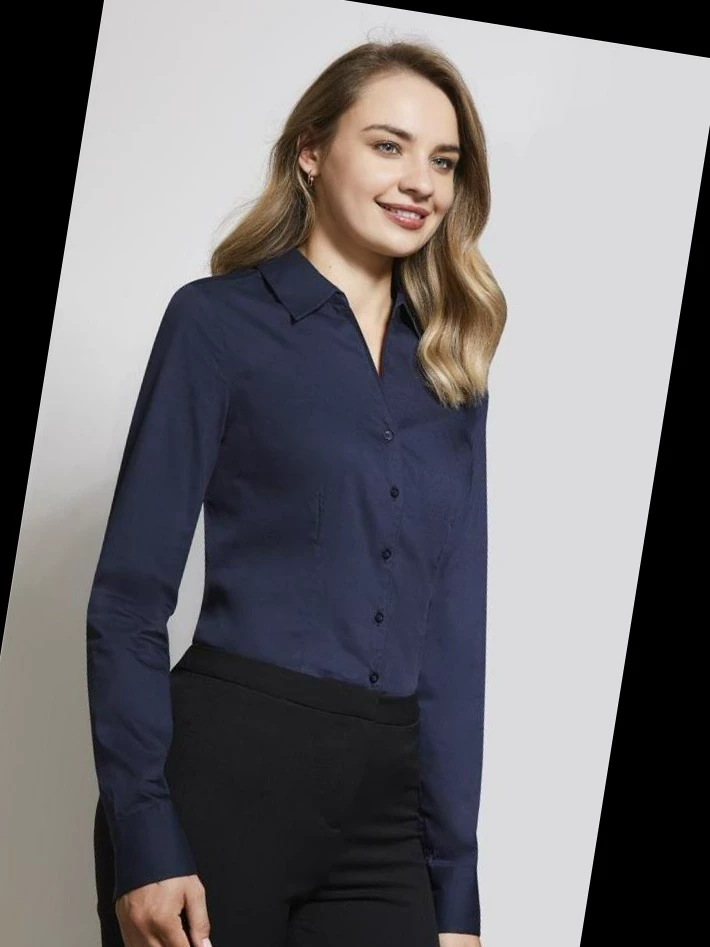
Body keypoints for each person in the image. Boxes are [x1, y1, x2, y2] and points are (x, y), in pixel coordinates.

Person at [87, 37, 506, 947]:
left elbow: (451, 640)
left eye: (443, 161)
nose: (420, 182)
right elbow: (127, 600)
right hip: (222, 787)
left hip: (385, 815)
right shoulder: (217, 325)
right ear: (312, 152)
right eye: (388, 146)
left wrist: (455, 891)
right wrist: (145, 835)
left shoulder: (452, 372)